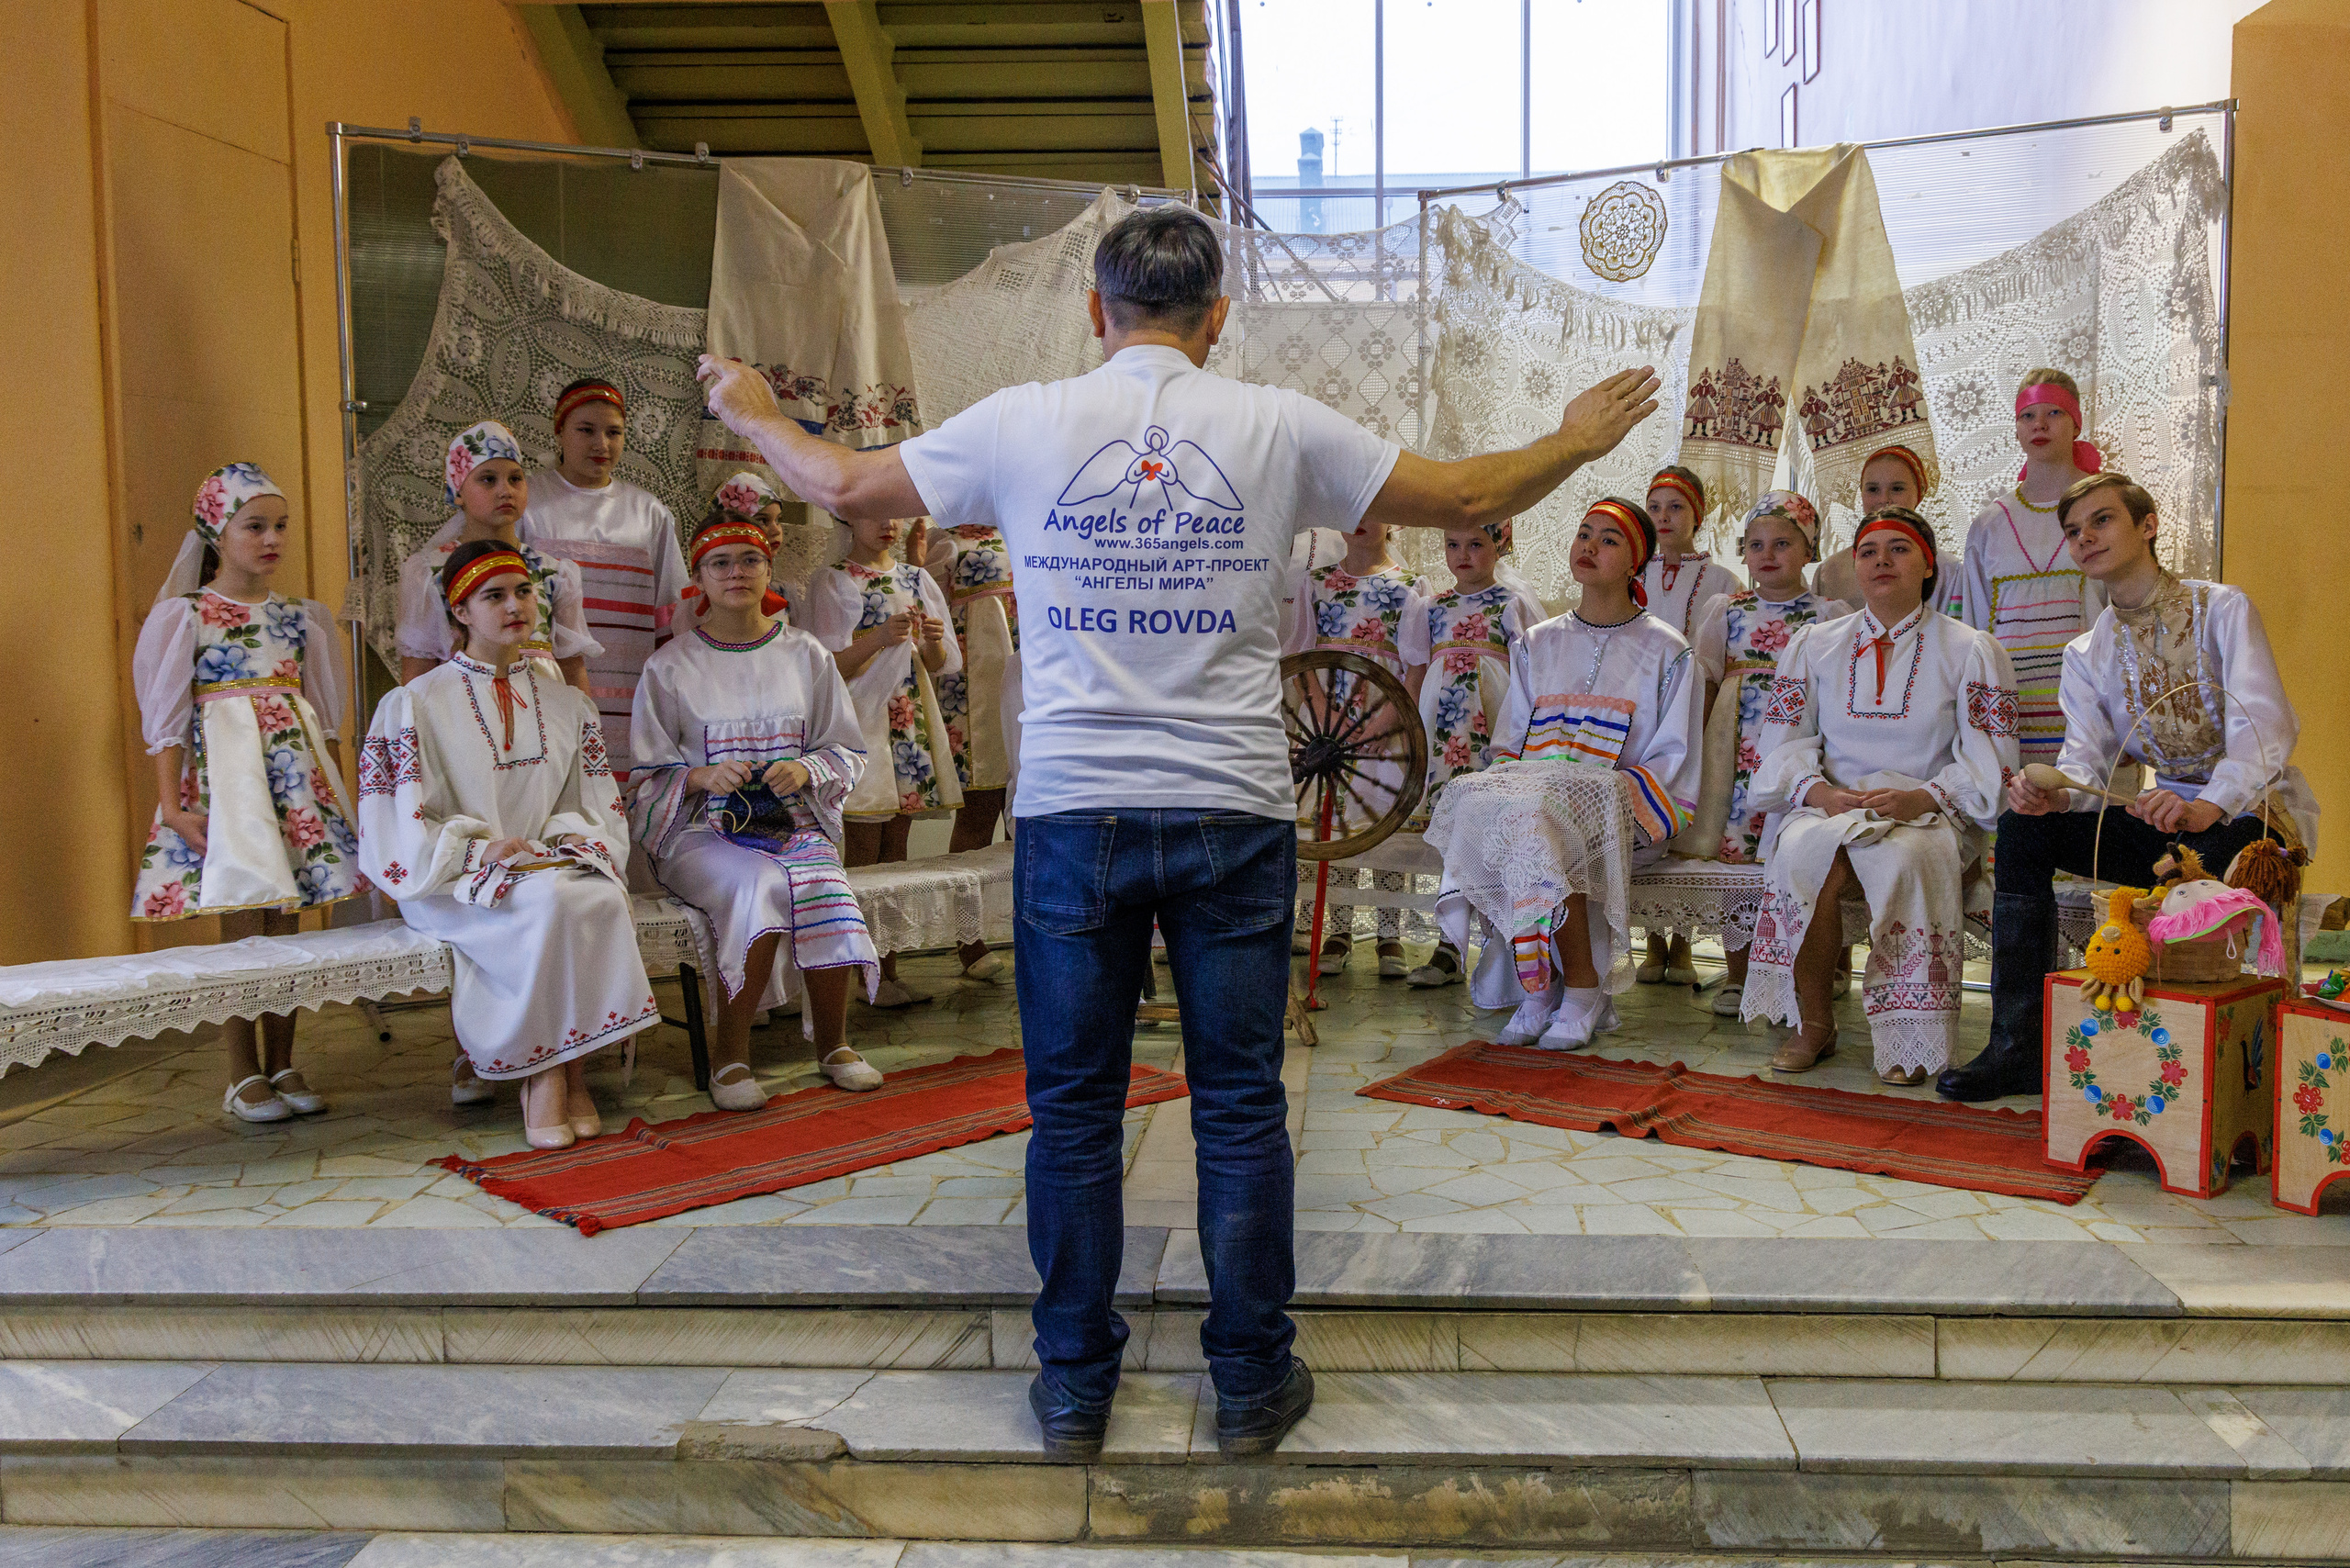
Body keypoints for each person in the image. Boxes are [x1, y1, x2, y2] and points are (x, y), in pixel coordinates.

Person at [696, 203, 1659, 1462]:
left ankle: (1072, 1387)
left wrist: (756, 409)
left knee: (1076, 1113)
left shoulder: (1026, 418)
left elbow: (833, 479)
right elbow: (1470, 493)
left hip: (1075, 815)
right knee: (1242, 1109)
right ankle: (1252, 1380)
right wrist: (1577, 438)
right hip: (1231, 811)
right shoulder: (1275, 424)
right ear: (1216, 320)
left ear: (1095, 312)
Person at [1937, 472, 2317, 1101]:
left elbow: (2266, 729)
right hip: (2167, 819)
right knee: (2024, 830)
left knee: (2196, 872)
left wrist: (2206, 804)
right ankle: (2017, 1046)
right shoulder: (2089, 650)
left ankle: (2194, 1070)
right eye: (2072, 531)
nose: (2084, 538)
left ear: (2148, 525)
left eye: (2101, 520)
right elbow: (2086, 761)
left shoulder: (2222, 609)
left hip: (2249, 817)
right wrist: (2054, 796)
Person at [358, 540, 658, 1149]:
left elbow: (591, 803)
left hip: (544, 865)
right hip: (450, 879)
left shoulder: (567, 703)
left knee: (593, 898)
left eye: (523, 591)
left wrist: (570, 844)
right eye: (493, 596)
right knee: (550, 903)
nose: (515, 605)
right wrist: (479, 851)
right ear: (460, 611)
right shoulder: (416, 703)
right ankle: (545, 1072)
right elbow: (397, 821)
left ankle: (570, 1068)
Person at [1740, 508, 2020, 1085]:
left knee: (1904, 859)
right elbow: (1781, 742)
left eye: (1899, 549)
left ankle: (1908, 1035)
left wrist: (1929, 798)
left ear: (1926, 566)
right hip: (1833, 804)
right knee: (1805, 856)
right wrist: (1818, 791)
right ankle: (1813, 1023)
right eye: (1869, 552)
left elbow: (1991, 760)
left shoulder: (1970, 649)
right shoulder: (1814, 645)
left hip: (1928, 814)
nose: (1882, 562)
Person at [630, 515, 886, 1106]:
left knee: (826, 884)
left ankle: (834, 1044)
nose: (736, 572)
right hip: (700, 832)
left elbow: (845, 747)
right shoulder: (669, 666)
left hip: (792, 825)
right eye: (720, 563)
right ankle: (731, 1057)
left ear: (770, 570)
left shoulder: (806, 654)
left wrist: (808, 768)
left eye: (749, 559)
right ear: (698, 578)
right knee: (758, 882)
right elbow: (644, 776)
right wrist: (699, 775)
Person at [133, 463, 362, 1123]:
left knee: (286, 926)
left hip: (292, 786)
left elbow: (324, 719)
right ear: (216, 530)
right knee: (242, 925)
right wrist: (174, 807)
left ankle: (284, 1059)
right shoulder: (188, 616)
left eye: (280, 526)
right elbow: (167, 719)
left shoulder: (300, 617)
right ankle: (241, 1072)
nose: (271, 538)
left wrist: (333, 800)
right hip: (229, 790)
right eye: (254, 525)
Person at [1431, 498, 1704, 1049]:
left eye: (1608, 539)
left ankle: (1571, 987)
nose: (1589, 546)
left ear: (1636, 562)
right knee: (1503, 812)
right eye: (1584, 534)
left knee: (1539, 825)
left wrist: (1590, 796)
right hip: (1536, 809)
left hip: (1622, 820)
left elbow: (1673, 760)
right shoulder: (1537, 643)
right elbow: (1510, 744)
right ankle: (1549, 986)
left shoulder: (1668, 651)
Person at [1685, 490, 1855, 1018]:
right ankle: (1738, 975)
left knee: (1811, 855)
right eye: (1756, 544)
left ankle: (1829, 966)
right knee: (1737, 859)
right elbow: (1707, 680)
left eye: (1783, 543)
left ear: (1810, 550)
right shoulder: (1726, 611)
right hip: (1737, 750)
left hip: (1804, 750)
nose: (1768, 554)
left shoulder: (1829, 615)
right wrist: (1699, 747)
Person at [800, 513, 963, 1008]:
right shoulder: (833, 580)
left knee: (896, 848)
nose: (887, 524)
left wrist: (931, 639)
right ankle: (849, 975)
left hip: (905, 723)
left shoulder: (916, 578)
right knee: (863, 851)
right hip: (863, 725)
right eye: (875, 513)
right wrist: (877, 638)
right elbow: (825, 667)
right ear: (848, 517)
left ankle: (887, 971)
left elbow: (936, 664)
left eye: (894, 514)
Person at [1396, 520, 1547, 988]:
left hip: (1491, 729)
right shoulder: (1431, 607)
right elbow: (1417, 673)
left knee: (1493, 831)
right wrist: (1410, 734)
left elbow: (1530, 676)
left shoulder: (1511, 604)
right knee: (1453, 836)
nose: (1463, 555)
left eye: (1476, 544)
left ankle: (1502, 943)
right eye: (1453, 544)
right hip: (1441, 731)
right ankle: (1448, 946)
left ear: (1499, 547)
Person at [519, 378, 691, 781]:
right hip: (545, 689)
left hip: (630, 696)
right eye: (586, 430)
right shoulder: (528, 503)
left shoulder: (649, 514)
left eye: (614, 432)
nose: (602, 444)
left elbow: (670, 614)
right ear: (559, 430)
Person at [1284, 517, 1421, 979]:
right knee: (1327, 819)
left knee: (1383, 815)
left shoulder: (1409, 586)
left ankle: (1389, 932)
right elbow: (1301, 651)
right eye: (1352, 512)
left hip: (1384, 717)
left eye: (1375, 512)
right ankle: (1336, 929)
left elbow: (1414, 663)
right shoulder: (1317, 583)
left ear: (1393, 522)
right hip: (1326, 720)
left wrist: (1383, 720)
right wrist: (1322, 704)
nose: (1362, 522)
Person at [1956, 370, 2105, 766]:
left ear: (2076, 423)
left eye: (2054, 412)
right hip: (2012, 717)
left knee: (2093, 822)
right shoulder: (1990, 524)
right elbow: (1972, 629)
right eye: (2028, 416)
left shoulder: (2106, 511)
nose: (2039, 424)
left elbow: (2125, 610)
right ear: (2017, 430)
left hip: (2089, 714)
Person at [398, 421, 597, 695]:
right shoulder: (430, 572)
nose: (506, 491)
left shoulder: (552, 573)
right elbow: (417, 672)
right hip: (461, 717)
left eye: (515, 479)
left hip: (541, 720)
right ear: (458, 492)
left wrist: (586, 729)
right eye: (488, 480)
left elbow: (572, 668)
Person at [1637, 465, 1740, 986]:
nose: (1663, 518)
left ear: (1696, 515)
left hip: (1696, 706)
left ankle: (1683, 944)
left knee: (1689, 822)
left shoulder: (1722, 581)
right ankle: (1651, 941)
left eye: (1674, 508)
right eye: (1654, 508)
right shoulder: (1634, 572)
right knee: (1648, 816)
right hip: (1643, 710)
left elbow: (1722, 656)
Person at [923, 514, 1021, 980]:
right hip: (974, 694)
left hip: (1028, 678)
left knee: (1027, 818)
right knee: (979, 814)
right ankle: (968, 938)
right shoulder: (945, 543)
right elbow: (933, 627)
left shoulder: (1023, 524)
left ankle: (1030, 929)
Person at [1813, 443, 1961, 619]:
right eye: (1873, 489)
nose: (1884, 499)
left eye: (1897, 489)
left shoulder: (1948, 569)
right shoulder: (1830, 572)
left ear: (1919, 492)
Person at [690, 471, 795, 622]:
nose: (776, 530)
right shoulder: (700, 596)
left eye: (778, 520)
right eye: (762, 521)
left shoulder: (784, 589)